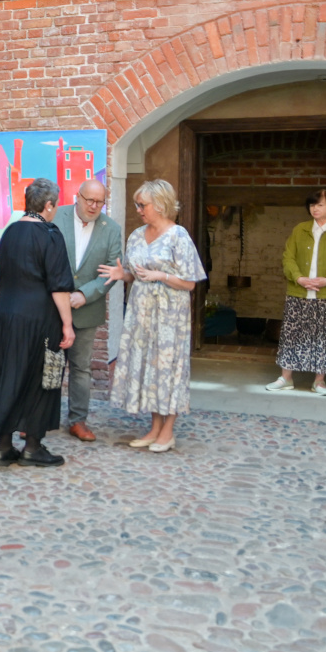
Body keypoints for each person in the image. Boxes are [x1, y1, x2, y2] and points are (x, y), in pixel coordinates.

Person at [0, 178, 75, 467]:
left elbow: (1, 278)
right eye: (55, 205)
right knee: (41, 380)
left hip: (5, 315)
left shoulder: (10, 232)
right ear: (48, 205)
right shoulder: (50, 234)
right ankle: (32, 448)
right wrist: (67, 324)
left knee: (7, 376)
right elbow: (59, 286)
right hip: (39, 318)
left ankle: (3, 447)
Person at [98, 179, 205, 453]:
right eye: (137, 204)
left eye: (142, 204)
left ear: (159, 204)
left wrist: (162, 275)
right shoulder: (136, 235)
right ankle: (155, 428)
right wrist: (122, 274)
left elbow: (190, 283)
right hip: (141, 314)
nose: (138, 209)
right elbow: (136, 274)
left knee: (169, 369)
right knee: (151, 368)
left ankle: (168, 432)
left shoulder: (178, 236)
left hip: (170, 316)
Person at [266, 189, 326, 396]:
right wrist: (299, 278)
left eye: (320, 205)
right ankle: (286, 378)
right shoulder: (300, 229)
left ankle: (319, 381)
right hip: (299, 292)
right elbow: (288, 257)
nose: (315, 209)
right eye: (312, 205)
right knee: (292, 335)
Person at [53, 179, 123, 442]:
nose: (93, 206)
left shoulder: (111, 229)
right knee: (49, 364)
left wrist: (84, 294)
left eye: (99, 202)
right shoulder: (56, 217)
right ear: (77, 197)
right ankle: (40, 417)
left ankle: (78, 420)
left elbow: (112, 272)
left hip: (86, 309)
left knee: (81, 368)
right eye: (89, 200)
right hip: (51, 307)